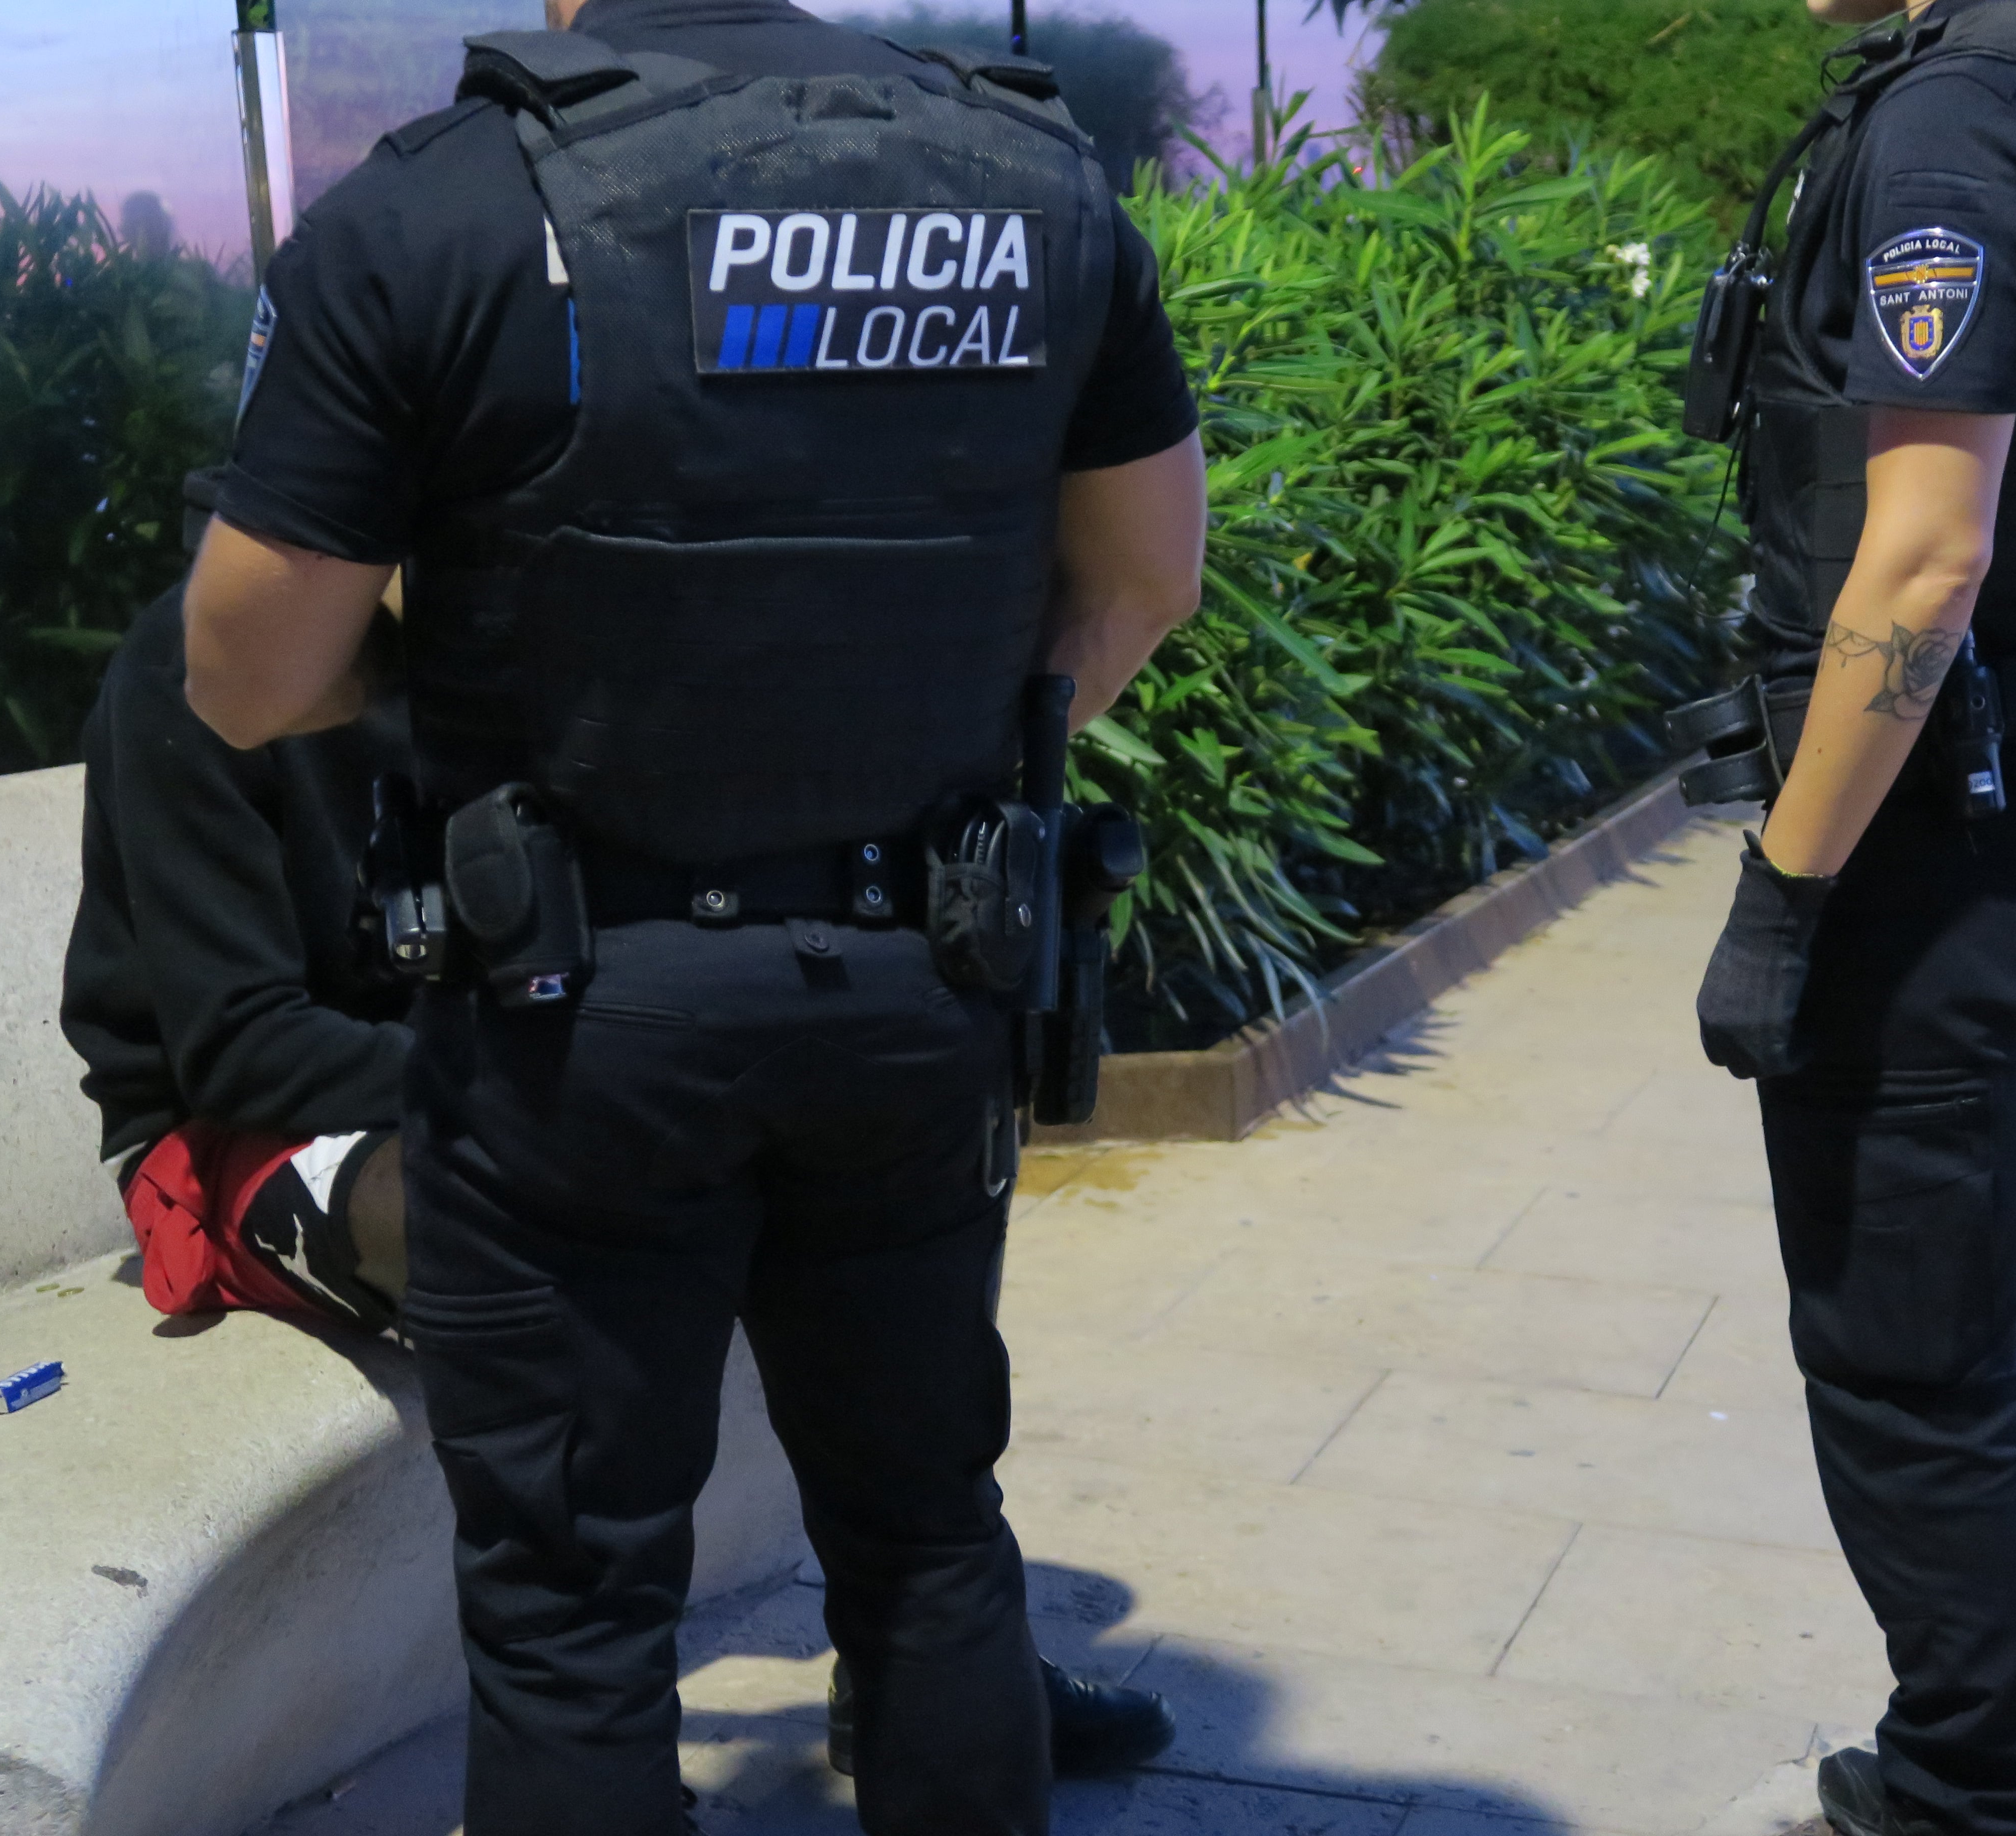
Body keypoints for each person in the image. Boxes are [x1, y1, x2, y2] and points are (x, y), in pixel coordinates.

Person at [177, 2, 1210, 1832]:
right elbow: (1144, 577)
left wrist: (454, 701)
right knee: (926, 1537)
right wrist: (937, 754)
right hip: (920, 989)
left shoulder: (443, 209)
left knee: (576, 1616)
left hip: (579, 1019)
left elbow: (251, 676)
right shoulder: (1030, 181)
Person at [1682, 0, 2016, 1831]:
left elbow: (1923, 551)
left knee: (1904, 1364)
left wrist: (1786, 886)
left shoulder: (1961, 115)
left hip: (1941, 849)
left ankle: (1969, 1796)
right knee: (1981, 1324)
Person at [61, 469, 412, 1335]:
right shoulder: (192, 666)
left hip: (437, 1078)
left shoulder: (487, 657)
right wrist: (513, 1087)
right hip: (222, 1132)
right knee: (499, 1218)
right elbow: (240, 1045)